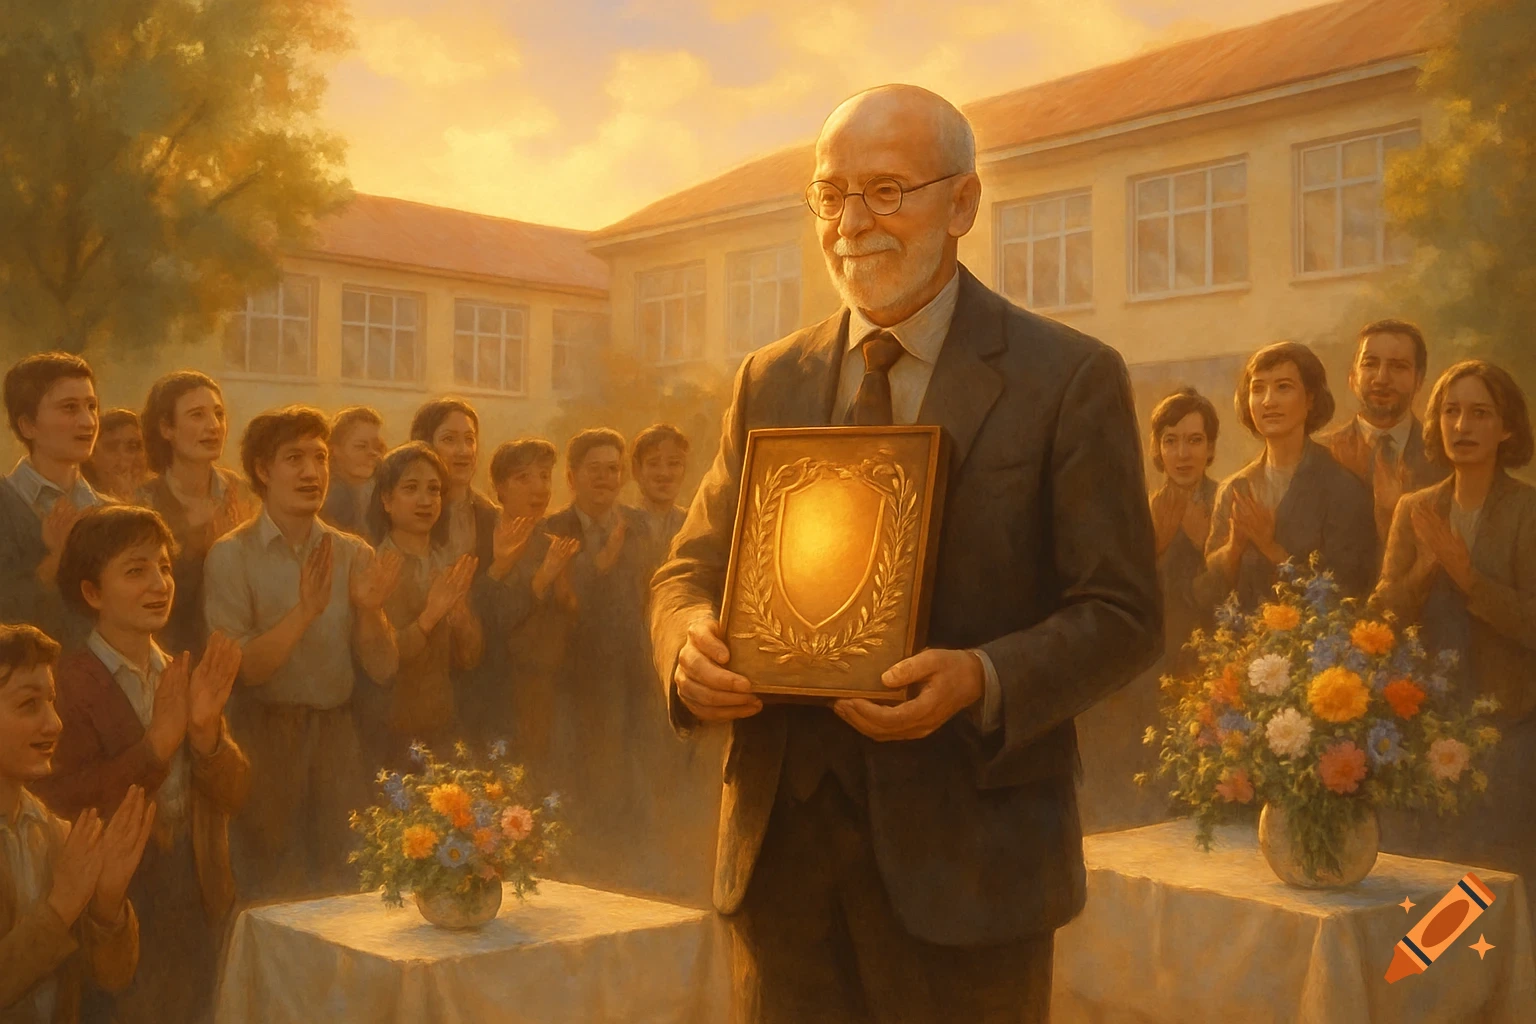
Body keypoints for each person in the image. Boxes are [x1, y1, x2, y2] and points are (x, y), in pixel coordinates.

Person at [651, 85, 1161, 1023]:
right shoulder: (770, 377)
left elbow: (1122, 613)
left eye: (886, 191)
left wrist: (980, 677)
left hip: (975, 874)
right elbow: (688, 570)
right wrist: (687, 644)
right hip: (781, 870)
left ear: (962, 203)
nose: (851, 223)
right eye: (830, 193)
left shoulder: (1068, 376)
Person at [35, 506, 248, 1024]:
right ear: (92, 593)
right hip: (115, 908)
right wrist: (153, 749)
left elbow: (235, 794)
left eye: (165, 567)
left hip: (197, 896)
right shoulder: (67, 685)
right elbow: (62, 802)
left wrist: (205, 734)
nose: (160, 583)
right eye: (136, 570)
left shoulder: (181, 671)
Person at [204, 406, 402, 900]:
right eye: (294, 458)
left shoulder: (353, 553)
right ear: (263, 470)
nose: (312, 472)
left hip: (337, 740)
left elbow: (383, 668)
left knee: (345, 885)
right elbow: (244, 671)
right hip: (263, 738)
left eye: (319, 458)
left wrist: (370, 612)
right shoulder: (231, 555)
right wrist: (305, 612)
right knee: (273, 887)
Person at [1371, 360, 1536, 931]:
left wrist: (1468, 579)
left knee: (1492, 885)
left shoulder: (1528, 510)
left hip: (1507, 731)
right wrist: (1424, 569)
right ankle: (1428, 980)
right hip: (1426, 729)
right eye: (1451, 411)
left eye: (1480, 413)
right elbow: (1381, 620)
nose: (1462, 426)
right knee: (1426, 889)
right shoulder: (1414, 508)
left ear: (1507, 428)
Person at [1079, 388, 1219, 835]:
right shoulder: (1139, 508)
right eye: (1171, 441)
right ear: (1157, 449)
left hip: (1210, 659)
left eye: (1194, 440)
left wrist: (1204, 543)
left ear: (1211, 447)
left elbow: (1245, 592)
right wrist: (1154, 545)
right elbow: (1115, 593)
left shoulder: (1230, 501)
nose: (1183, 454)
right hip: (1149, 662)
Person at [0, 622, 151, 1024]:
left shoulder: (53, 832)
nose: (55, 723)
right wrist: (60, 907)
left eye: (51, 702)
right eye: (29, 704)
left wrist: (107, 903)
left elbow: (113, 978)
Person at [545, 428, 659, 892]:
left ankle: (629, 871)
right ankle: (586, 871)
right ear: (572, 477)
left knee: (634, 771)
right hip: (573, 676)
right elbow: (554, 608)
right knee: (583, 773)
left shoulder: (639, 525)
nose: (605, 479)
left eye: (613, 469)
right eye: (594, 470)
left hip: (635, 670)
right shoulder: (552, 530)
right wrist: (598, 567)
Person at [1205, 342, 1376, 609]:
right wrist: (1234, 547)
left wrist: (1269, 547)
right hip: (1239, 634)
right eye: (1258, 389)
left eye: (1283, 387)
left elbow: (1347, 593)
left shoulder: (1342, 487)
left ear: (1310, 399)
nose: (1268, 401)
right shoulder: (1235, 487)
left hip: (1313, 634)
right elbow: (1209, 591)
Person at [364, 443, 483, 768]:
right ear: (387, 500)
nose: (425, 500)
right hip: (391, 731)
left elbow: (471, 658)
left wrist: (462, 621)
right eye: (411, 488)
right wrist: (430, 617)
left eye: (433, 490)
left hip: (444, 725)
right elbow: (380, 662)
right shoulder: (374, 568)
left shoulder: (449, 563)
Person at [136, 371, 252, 659]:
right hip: (172, 651)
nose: (213, 426)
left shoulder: (244, 494)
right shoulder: (143, 504)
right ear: (166, 428)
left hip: (240, 650)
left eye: (218, 414)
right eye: (197, 415)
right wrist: (196, 548)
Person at [0, 354, 110, 652]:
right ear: (28, 425)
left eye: (91, 406)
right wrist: (56, 558)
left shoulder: (109, 511)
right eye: (69, 408)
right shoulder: (5, 503)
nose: (88, 421)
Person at [486, 440, 578, 777]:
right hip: (500, 691)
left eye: (544, 476)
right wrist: (541, 580)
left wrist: (567, 598)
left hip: (550, 689)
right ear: (499, 488)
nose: (538, 488)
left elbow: (572, 621)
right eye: (523, 477)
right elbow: (493, 622)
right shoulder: (485, 541)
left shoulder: (554, 543)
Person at [1319, 319, 1448, 549]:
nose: (1381, 378)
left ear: (1419, 380)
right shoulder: (1321, 453)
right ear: (1352, 377)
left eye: (1398, 366)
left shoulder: (1445, 456)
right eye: (1370, 364)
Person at [630, 424, 690, 573]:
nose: (664, 473)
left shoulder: (691, 523)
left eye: (674, 464)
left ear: (684, 470)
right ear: (636, 470)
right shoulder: (622, 523)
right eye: (653, 464)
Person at [320, 406, 385, 537]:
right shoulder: (329, 497)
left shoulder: (379, 488)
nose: (373, 453)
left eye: (377, 447)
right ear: (334, 450)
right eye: (361, 446)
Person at [82, 410, 147, 504]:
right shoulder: (81, 504)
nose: (124, 456)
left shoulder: (160, 497)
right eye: (112, 447)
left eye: (133, 446)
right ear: (92, 455)